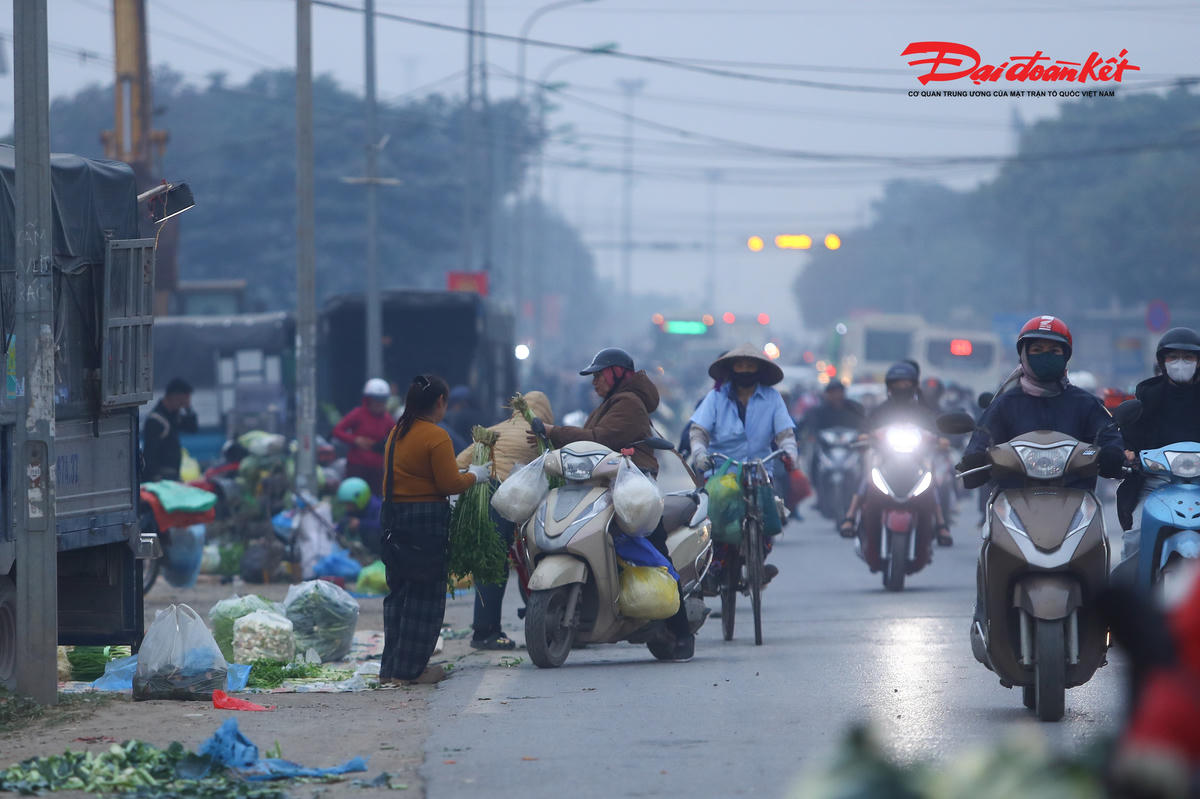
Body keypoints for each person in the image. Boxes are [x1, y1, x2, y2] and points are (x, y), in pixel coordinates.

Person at [958, 317, 1125, 625]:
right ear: (1023, 354)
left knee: (1100, 551)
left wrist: (1113, 453)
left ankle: (1101, 622)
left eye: (1054, 351)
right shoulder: (1004, 404)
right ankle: (987, 616)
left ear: (1066, 356)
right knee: (990, 550)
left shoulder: (1086, 403)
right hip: (1013, 499)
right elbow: (981, 440)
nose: (1045, 356)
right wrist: (973, 460)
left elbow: (1108, 433)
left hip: (1076, 498)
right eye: (1037, 349)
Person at [537, 347, 696, 661]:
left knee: (655, 552)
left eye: (599, 375)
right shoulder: (611, 402)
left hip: (634, 490)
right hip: (608, 485)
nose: (594, 381)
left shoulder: (629, 403)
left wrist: (555, 432)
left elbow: (600, 438)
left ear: (618, 373)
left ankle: (681, 632)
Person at [378, 374, 492, 685]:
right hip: (424, 520)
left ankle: (390, 670)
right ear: (440, 401)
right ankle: (411, 671)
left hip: (393, 519)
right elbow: (449, 484)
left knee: (399, 593)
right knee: (425, 596)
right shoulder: (436, 436)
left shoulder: (397, 432)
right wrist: (476, 475)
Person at [688, 343, 801, 586]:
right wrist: (699, 453)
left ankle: (758, 560)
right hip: (722, 470)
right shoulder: (716, 397)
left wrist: (790, 453)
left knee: (769, 517)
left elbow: (785, 434)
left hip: (759, 469)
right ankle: (715, 566)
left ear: (759, 370)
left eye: (750, 365)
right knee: (717, 516)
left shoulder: (772, 398)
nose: (745, 369)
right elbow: (699, 431)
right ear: (731, 369)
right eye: (740, 365)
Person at [455, 390, 555, 651]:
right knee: (518, 561)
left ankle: (486, 630)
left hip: (484, 494)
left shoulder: (494, 429)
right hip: (514, 499)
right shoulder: (540, 435)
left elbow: (458, 463)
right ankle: (489, 632)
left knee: (490, 563)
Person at [840, 362, 950, 571]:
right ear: (889, 386)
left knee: (931, 479)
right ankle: (850, 516)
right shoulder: (879, 411)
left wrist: (940, 439)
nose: (902, 387)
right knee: (867, 475)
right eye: (897, 383)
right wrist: (864, 436)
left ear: (914, 386)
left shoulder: (923, 411)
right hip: (885, 462)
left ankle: (941, 523)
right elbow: (865, 429)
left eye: (906, 383)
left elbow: (936, 431)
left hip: (916, 463)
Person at [1115, 327, 1200, 559]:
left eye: (1188, 357)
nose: (1180, 363)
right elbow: (1129, 435)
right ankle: (1133, 584)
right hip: (1157, 484)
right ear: (1162, 362)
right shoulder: (1147, 397)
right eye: (1173, 357)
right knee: (1136, 536)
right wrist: (1127, 452)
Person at [332, 378, 396, 494]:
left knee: (376, 498)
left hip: (377, 469)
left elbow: (398, 437)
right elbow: (337, 431)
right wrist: (355, 440)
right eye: (376, 399)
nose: (379, 403)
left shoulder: (387, 418)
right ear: (368, 400)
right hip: (357, 467)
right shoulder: (358, 414)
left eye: (383, 400)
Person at [801, 380, 866, 487]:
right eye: (833, 392)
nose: (836, 395)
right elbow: (809, 424)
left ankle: (862, 485)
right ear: (827, 394)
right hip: (826, 448)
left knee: (863, 456)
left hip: (849, 447)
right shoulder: (818, 411)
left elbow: (864, 423)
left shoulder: (854, 408)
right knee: (814, 456)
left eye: (839, 392)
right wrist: (811, 434)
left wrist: (863, 434)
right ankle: (814, 483)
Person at [141, 377, 199, 482]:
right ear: (174, 396)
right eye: (181, 401)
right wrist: (155, 478)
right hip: (160, 478)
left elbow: (192, 428)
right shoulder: (156, 420)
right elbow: (149, 454)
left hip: (172, 475)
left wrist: (188, 408)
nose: (182, 405)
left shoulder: (173, 417)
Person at [335, 476, 383, 555]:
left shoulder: (377, 507)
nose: (347, 507)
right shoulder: (355, 508)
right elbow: (343, 523)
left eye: (349, 504)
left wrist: (361, 524)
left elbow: (382, 526)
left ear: (360, 499)